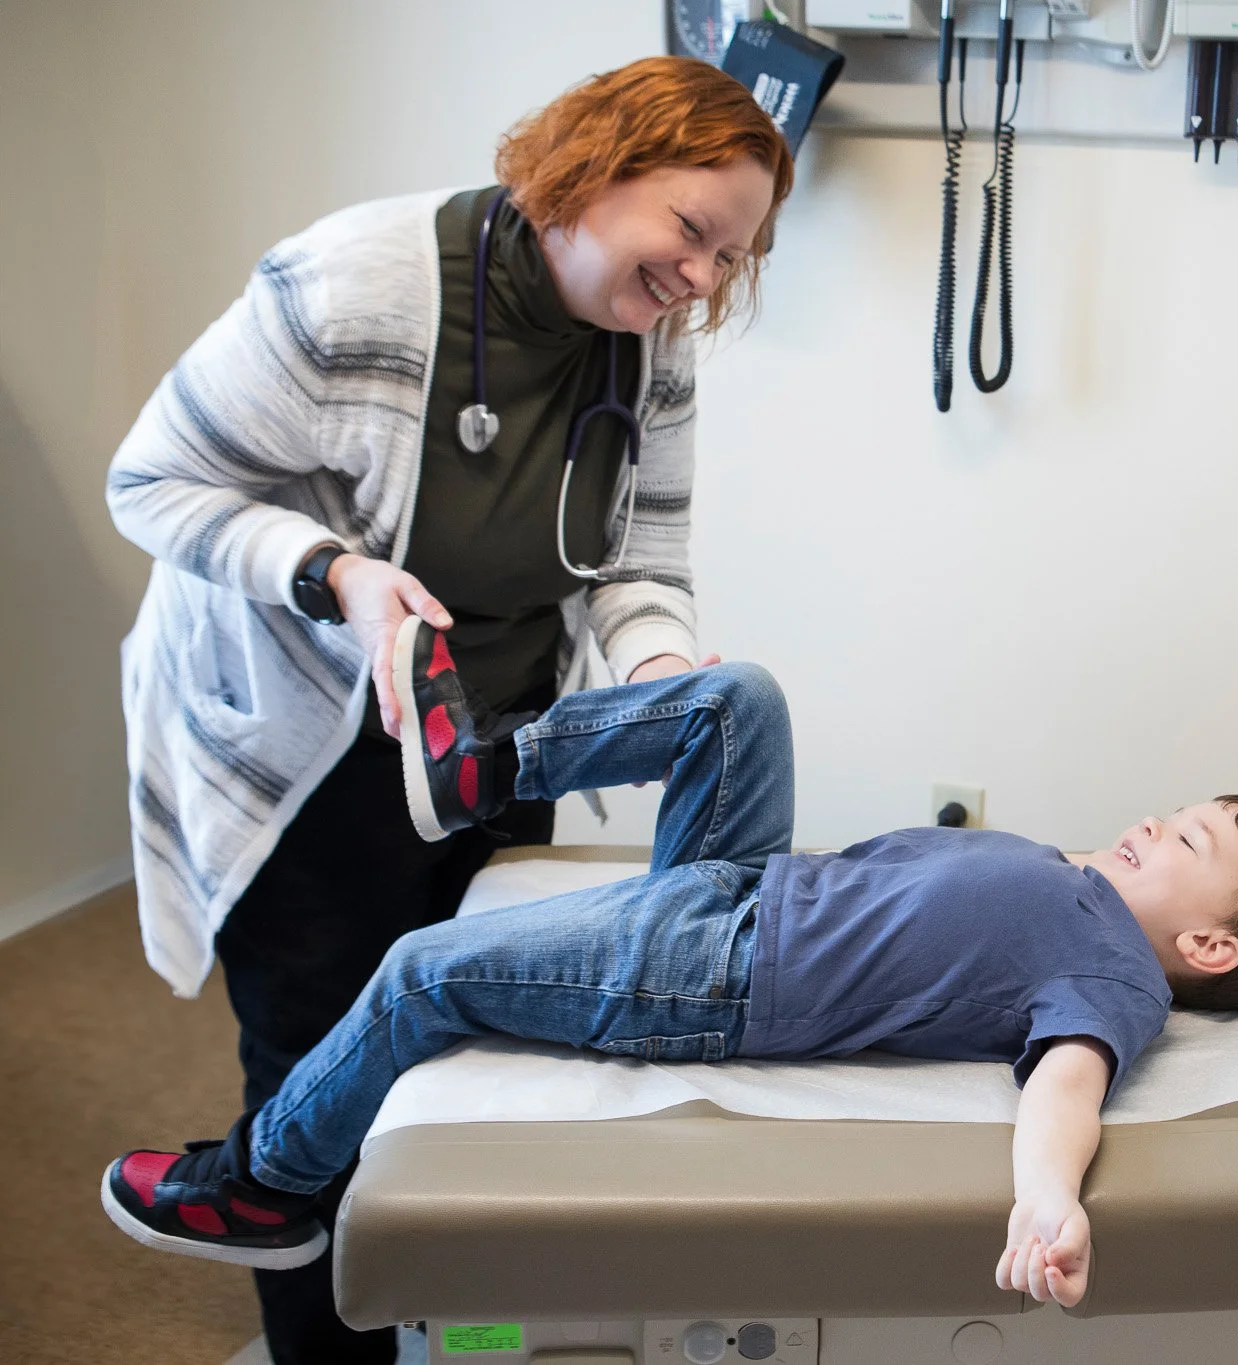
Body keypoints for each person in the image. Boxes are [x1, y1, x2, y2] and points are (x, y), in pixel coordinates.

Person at [103, 58, 794, 1362]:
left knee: (467, 1057)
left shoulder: (651, 352)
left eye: (730, 256)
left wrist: (660, 685)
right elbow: (151, 482)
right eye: (692, 234)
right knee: (318, 1071)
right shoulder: (351, 282)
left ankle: (456, 1337)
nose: (703, 279)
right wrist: (337, 577)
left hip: (491, 743)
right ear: (593, 166)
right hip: (306, 741)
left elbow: (641, 561)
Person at [103, 621, 1238, 1309]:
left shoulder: (1113, 985)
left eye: (1185, 838)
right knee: (734, 696)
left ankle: (267, 1182)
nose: (1155, 822)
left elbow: (1062, 1090)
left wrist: (1047, 1204)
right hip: (741, 885)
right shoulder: (1082, 884)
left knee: (423, 969)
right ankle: (486, 770)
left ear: (1209, 947)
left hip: (716, 968)